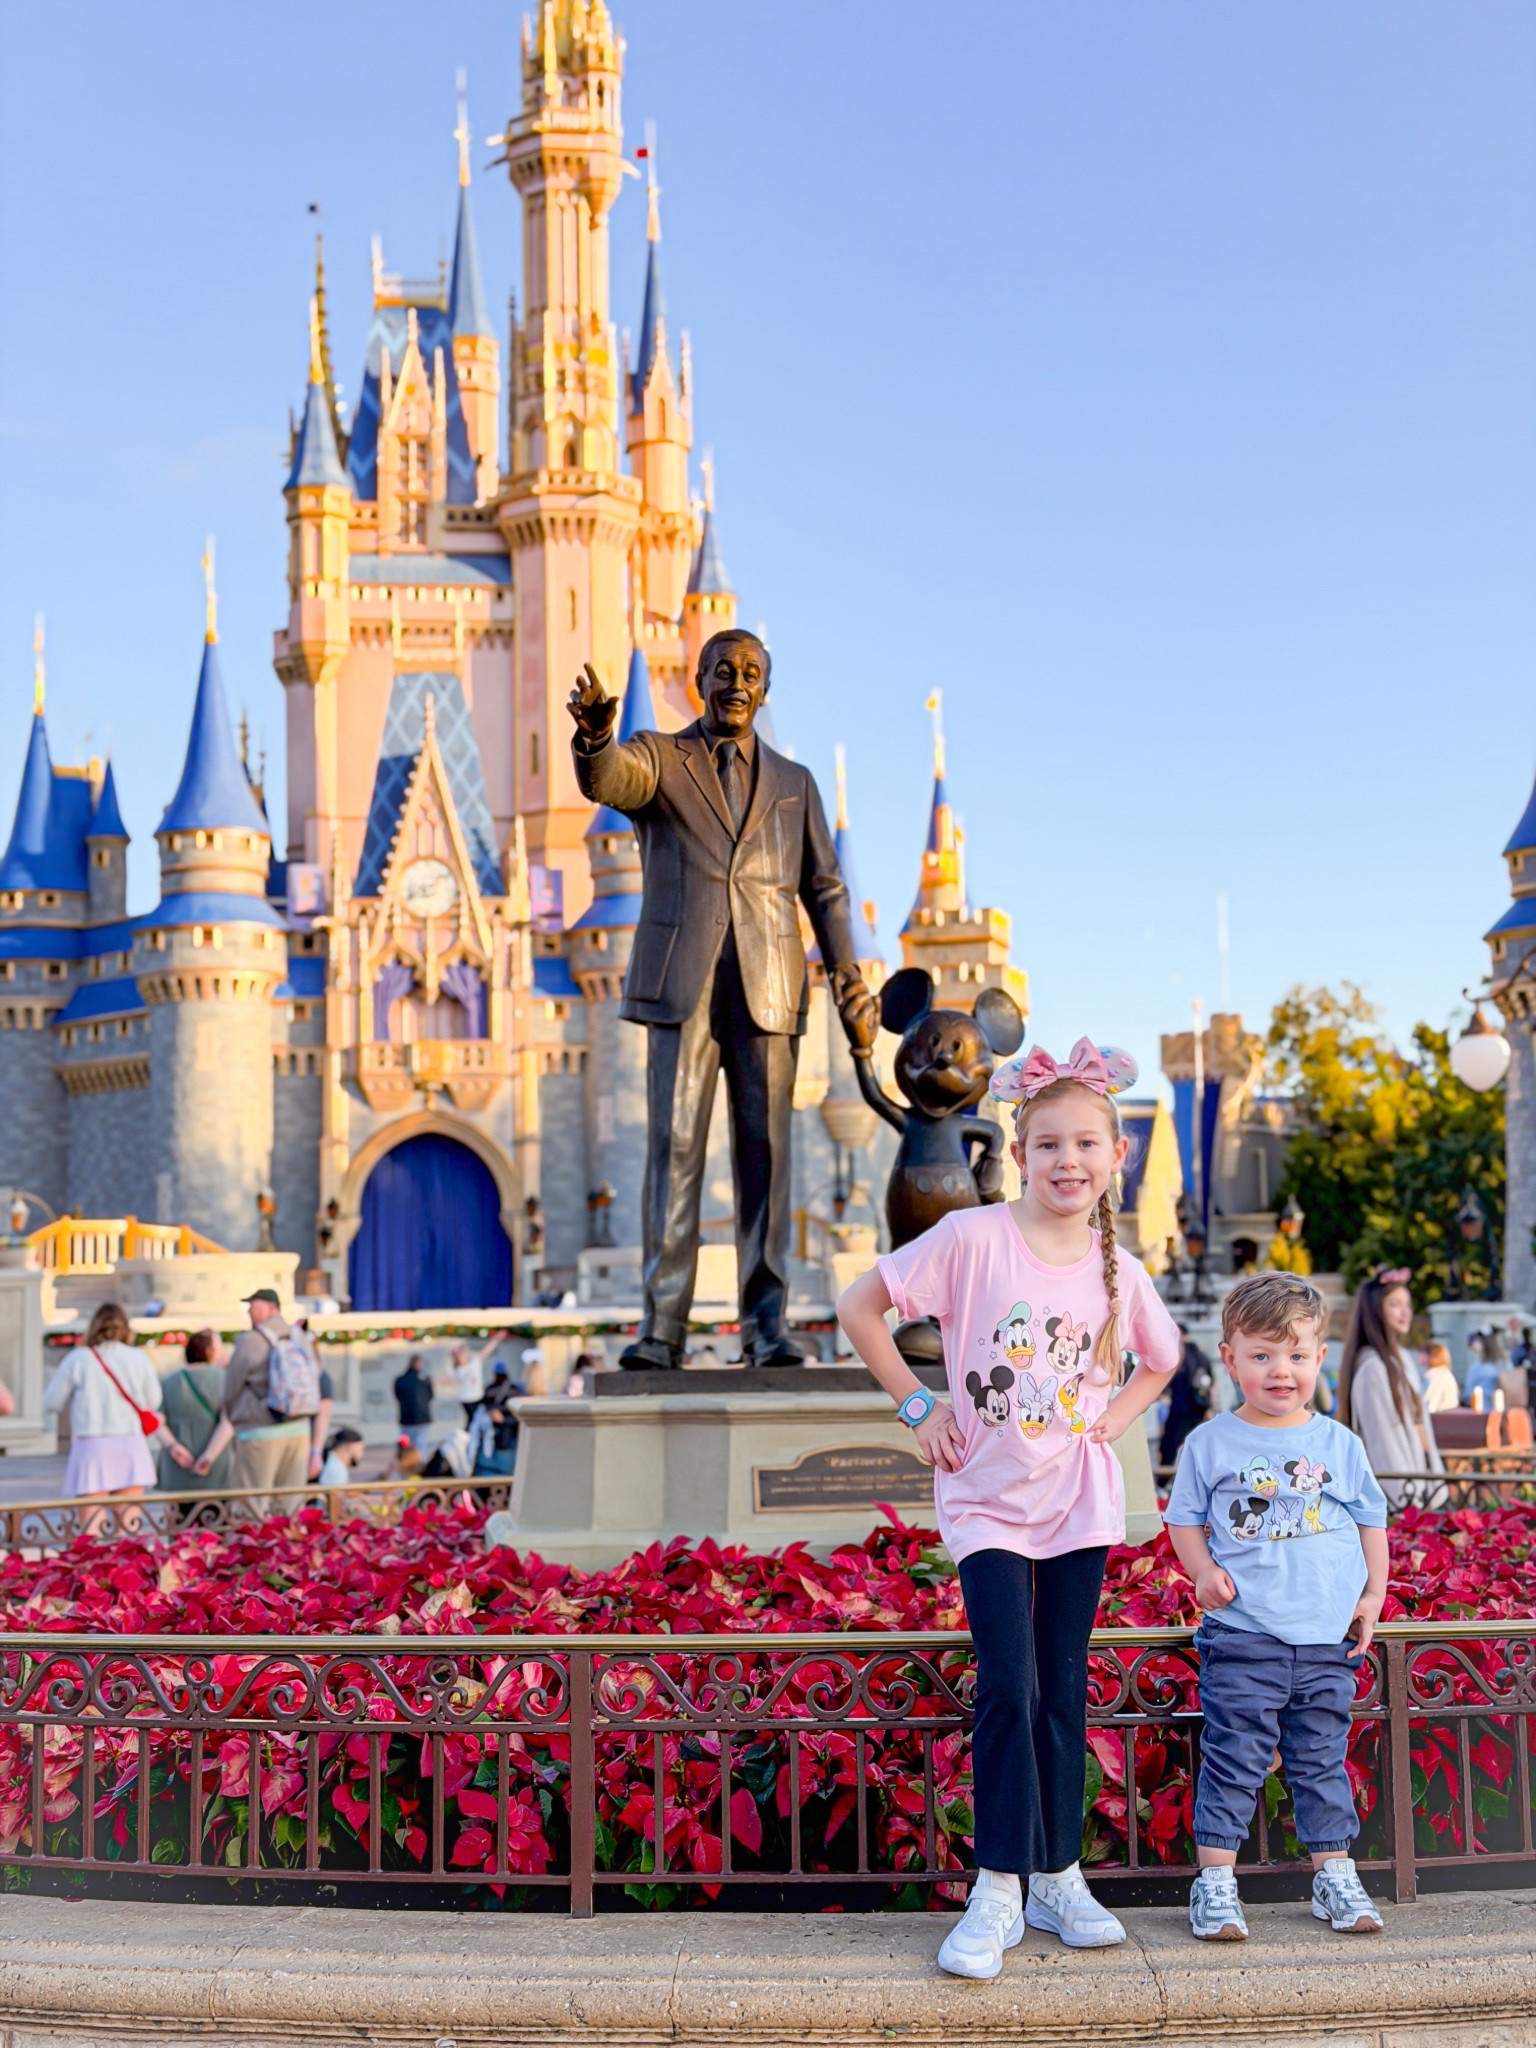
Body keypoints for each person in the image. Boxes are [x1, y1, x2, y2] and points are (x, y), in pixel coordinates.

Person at [838, 1035, 1181, 1978]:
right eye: (1049, 1145)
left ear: (1117, 1158)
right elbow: (860, 1306)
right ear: (1020, 1155)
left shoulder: (1120, 1269)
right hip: (988, 1502)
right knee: (1009, 1685)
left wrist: (1111, 1419)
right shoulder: (970, 1239)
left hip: (1078, 1503)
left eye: (1087, 1145)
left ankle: (1060, 1876)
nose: (1068, 1162)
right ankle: (997, 1888)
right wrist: (918, 1404)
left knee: (1063, 1689)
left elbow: (1164, 1357)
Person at [569, 635, 878, 1370]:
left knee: (767, 1159)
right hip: (685, 982)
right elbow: (611, 780)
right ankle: (662, 1328)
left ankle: (766, 1327)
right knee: (672, 1150)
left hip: (770, 988)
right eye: (723, 671)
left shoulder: (796, 784)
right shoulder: (662, 759)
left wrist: (848, 981)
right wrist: (594, 737)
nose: (737, 684)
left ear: (765, 690)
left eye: (751, 674)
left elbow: (827, 890)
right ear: (699, 679)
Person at [1166, 1272, 1389, 1942]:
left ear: (1319, 1358)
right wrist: (1203, 1570)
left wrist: (1373, 1595)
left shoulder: (1338, 1444)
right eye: (1261, 1355)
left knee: (1321, 1760)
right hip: (1245, 1634)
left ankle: (1335, 1876)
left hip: (1325, 1636)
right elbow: (1183, 1520)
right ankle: (1214, 1885)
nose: (1280, 1371)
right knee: (1235, 1758)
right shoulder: (1209, 1443)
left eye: (1295, 1355)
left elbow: (1372, 1521)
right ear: (1230, 1359)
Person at [44, 1303, 194, 1498]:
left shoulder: (78, 1359)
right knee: (128, 1525)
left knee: (92, 1525)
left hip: (91, 1445)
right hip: (129, 1444)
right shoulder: (138, 1358)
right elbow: (153, 1400)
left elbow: (51, 1402)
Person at [193, 1289, 324, 1502]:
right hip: (299, 1428)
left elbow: (231, 1387)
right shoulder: (298, 1335)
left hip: (259, 1432)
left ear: (270, 1309)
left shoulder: (251, 1340)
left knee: (252, 1505)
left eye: (254, 1308)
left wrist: (236, 1418)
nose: (250, 1313)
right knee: (289, 1506)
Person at [1337, 1267, 1445, 1508]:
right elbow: (1382, 1442)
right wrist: (1406, 1502)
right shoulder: (1373, 1369)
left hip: (1417, 1487)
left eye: (1407, 1303)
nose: (1405, 1311)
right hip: (1398, 1501)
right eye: (1395, 1304)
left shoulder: (1400, 1359)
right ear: (1376, 1309)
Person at [1159, 1326, 1214, 1467]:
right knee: (1199, 1447)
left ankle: (1164, 1482)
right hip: (1200, 1408)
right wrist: (1209, 1406)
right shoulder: (1201, 1355)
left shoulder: (1179, 1353)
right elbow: (1211, 1382)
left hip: (1181, 1407)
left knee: (1170, 1446)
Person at [449, 1337, 501, 1425]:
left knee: (477, 1420)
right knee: (473, 1420)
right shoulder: (459, 1370)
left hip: (477, 1396)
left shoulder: (474, 1361)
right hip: (467, 1399)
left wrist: (496, 1339)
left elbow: (486, 1351)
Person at [392, 1354, 434, 1454]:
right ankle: (416, 1463)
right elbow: (430, 1395)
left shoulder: (401, 1380)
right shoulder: (424, 1379)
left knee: (406, 1443)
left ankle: (405, 1462)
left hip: (408, 1418)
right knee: (420, 1444)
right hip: (418, 1418)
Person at [1463, 1326, 1505, 1409]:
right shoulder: (1506, 1364)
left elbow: (1467, 1394)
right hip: (1505, 1412)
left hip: (1484, 1413)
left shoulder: (1477, 1368)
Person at [1420, 1342, 1461, 1416]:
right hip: (1449, 1417)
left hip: (1439, 1419)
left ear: (1432, 1355)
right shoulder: (1444, 1373)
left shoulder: (1434, 1375)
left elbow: (1429, 1404)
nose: (1420, 1355)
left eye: (1424, 1352)